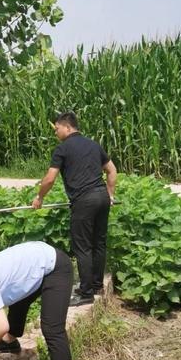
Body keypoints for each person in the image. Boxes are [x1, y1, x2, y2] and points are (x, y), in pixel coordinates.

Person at [32, 112, 117, 306]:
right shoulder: (94, 145)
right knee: (99, 242)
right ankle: (96, 285)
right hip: (102, 197)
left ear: (68, 127)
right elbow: (112, 170)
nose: (56, 133)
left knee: (83, 246)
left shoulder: (62, 149)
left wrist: (39, 197)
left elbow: (50, 178)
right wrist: (110, 195)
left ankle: (85, 293)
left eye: (57, 129)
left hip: (84, 200)